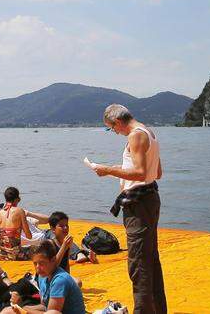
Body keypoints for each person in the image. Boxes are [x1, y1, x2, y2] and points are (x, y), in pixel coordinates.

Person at [89, 103, 166, 314]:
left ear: (118, 122)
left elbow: (141, 172)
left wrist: (109, 170)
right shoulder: (149, 133)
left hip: (139, 204)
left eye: (112, 128)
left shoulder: (135, 136)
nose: (114, 132)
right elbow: (156, 172)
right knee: (150, 259)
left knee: (138, 263)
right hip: (149, 198)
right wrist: (122, 170)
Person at [2, 241, 85, 314]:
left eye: (41, 263)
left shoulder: (60, 280)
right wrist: (18, 306)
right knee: (8, 310)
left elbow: (52, 312)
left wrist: (22, 307)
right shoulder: (43, 276)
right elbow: (44, 306)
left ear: (53, 260)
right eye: (35, 263)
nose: (38, 267)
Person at [46, 211, 96, 284]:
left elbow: (66, 263)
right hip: (50, 276)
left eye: (67, 225)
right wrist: (63, 247)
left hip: (61, 275)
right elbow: (52, 267)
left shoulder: (67, 243)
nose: (65, 228)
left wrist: (68, 277)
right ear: (53, 229)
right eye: (61, 226)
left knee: (78, 283)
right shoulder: (50, 244)